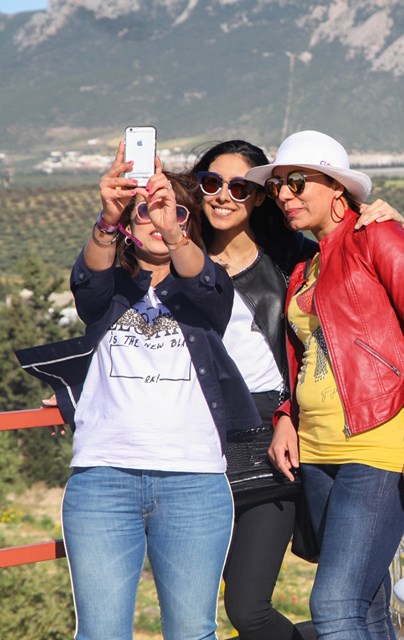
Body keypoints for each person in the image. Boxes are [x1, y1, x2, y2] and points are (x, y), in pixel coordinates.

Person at [16, 144, 260, 639]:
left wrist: (174, 232)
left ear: (189, 224)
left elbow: (208, 287)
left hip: (194, 482)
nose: (157, 220)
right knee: (101, 632)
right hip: (103, 479)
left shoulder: (206, 289)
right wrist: (107, 219)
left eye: (174, 211)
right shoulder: (111, 291)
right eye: (143, 212)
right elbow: (87, 284)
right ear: (129, 225)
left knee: (191, 630)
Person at [188, 139, 404, 639]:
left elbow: (378, 286)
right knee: (361, 603)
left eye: (240, 187)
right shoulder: (180, 263)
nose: (223, 195)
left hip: (279, 442)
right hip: (197, 448)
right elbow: (136, 326)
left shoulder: (292, 259)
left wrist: (391, 224)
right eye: (211, 183)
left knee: (273, 606)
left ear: (258, 197)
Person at [245, 130, 404, 640]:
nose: (285, 194)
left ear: (337, 187)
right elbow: (304, 357)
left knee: (334, 604)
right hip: (317, 451)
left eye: (297, 182)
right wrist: (286, 417)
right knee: (367, 606)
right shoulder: (307, 263)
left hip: (376, 442)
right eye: (277, 186)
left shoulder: (379, 237)